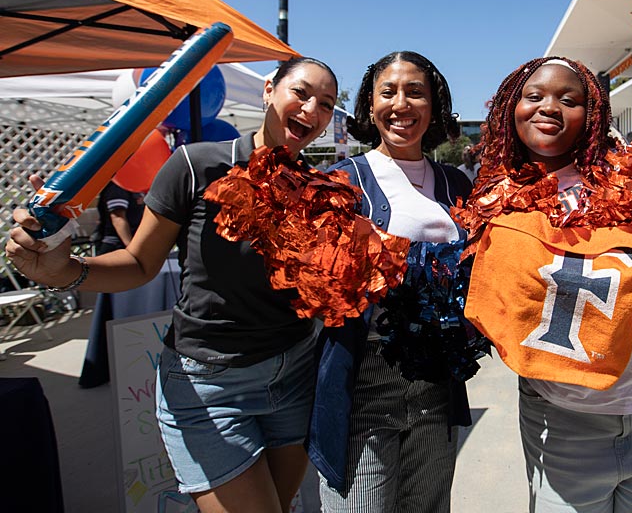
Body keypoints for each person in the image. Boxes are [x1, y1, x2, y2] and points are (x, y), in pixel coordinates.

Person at [6, 56, 339, 513]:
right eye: (301, 93)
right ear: (269, 90)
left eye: (325, 103)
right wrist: (67, 271)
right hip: (209, 385)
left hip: (296, 376)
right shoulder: (197, 164)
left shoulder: (319, 191)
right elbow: (140, 262)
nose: (311, 110)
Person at [463, 56, 632, 513]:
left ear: (592, 112)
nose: (548, 107)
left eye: (568, 99)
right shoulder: (490, 199)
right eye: (533, 96)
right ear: (509, 108)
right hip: (561, 418)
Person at [310, 51, 472, 512]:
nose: (402, 104)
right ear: (369, 105)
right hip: (365, 375)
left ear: (434, 106)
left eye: (415, 92)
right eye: (389, 92)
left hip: (436, 381)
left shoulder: (457, 184)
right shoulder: (341, 182)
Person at [95, 180, 145, 253]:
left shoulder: (135, 186)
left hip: (135, 241)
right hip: (116, 245)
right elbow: (118, 218)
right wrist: (131, 248)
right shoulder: (117, 187)